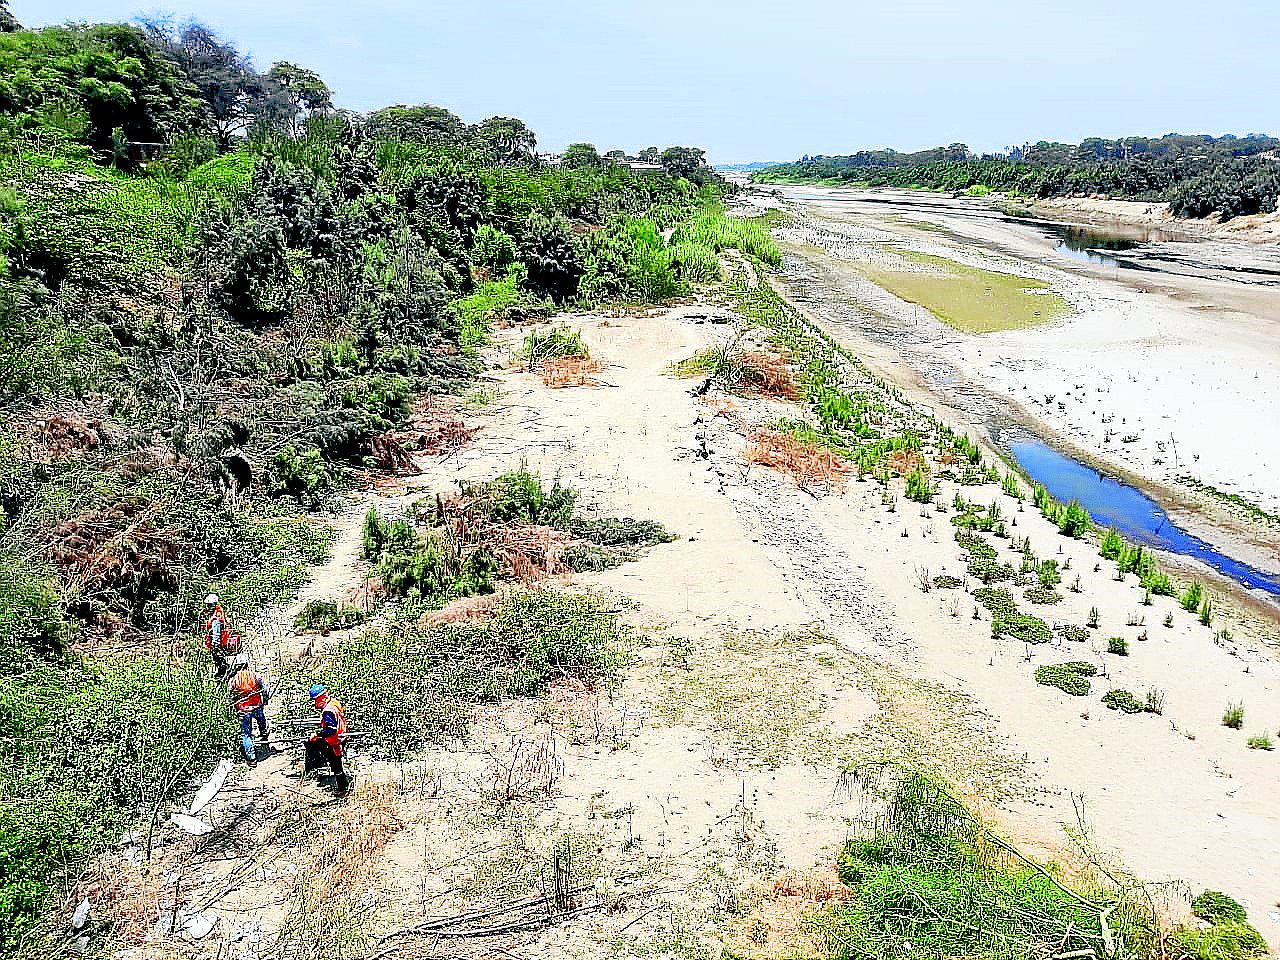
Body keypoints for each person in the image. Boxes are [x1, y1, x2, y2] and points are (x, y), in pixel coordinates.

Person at [303, 684, 351, 794]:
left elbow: (331, 730)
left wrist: (317, 735)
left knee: (336, 765)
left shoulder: (327, 711)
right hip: (341, 735)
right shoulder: (334, 703)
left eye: (316, 700)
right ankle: (322, 769)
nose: (315, 703)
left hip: (335, 740)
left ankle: (343, 788)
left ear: (322, 697)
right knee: (332, 760)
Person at [228, 662, 270, 768]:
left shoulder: (233, 680)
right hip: (256, 705)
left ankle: (252, 759)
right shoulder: (255, 676)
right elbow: (264, 689)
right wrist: (265, 700)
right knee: (261, 719)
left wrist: (231, 708)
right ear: (247, 665)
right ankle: (264, 736)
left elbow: (229, 696)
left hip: (243, 709)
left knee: (246, 734)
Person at [203, 594, 239, 678]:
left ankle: (224, 676)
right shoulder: (219, 614)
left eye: (209, 605)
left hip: (218, 645)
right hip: (222, 643)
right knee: (221, 662)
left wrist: (215, 646)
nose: (207, 607)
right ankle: (225, 674)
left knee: (220, 663)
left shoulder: (216, 619)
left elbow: (216, 634)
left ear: (213, 605)